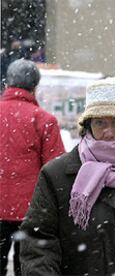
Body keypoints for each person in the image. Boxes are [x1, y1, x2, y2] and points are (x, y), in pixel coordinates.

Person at [19, 77, 115, 275]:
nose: (108, 132)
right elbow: (38, 243)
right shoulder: (57, 175)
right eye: (99, 123)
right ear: (87, 126)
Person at [0, 59, 65, 275]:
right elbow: (56, 168)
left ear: (7, 83)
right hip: (31, 211)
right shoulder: (44, 120)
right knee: (29, 267)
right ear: (35, 87)